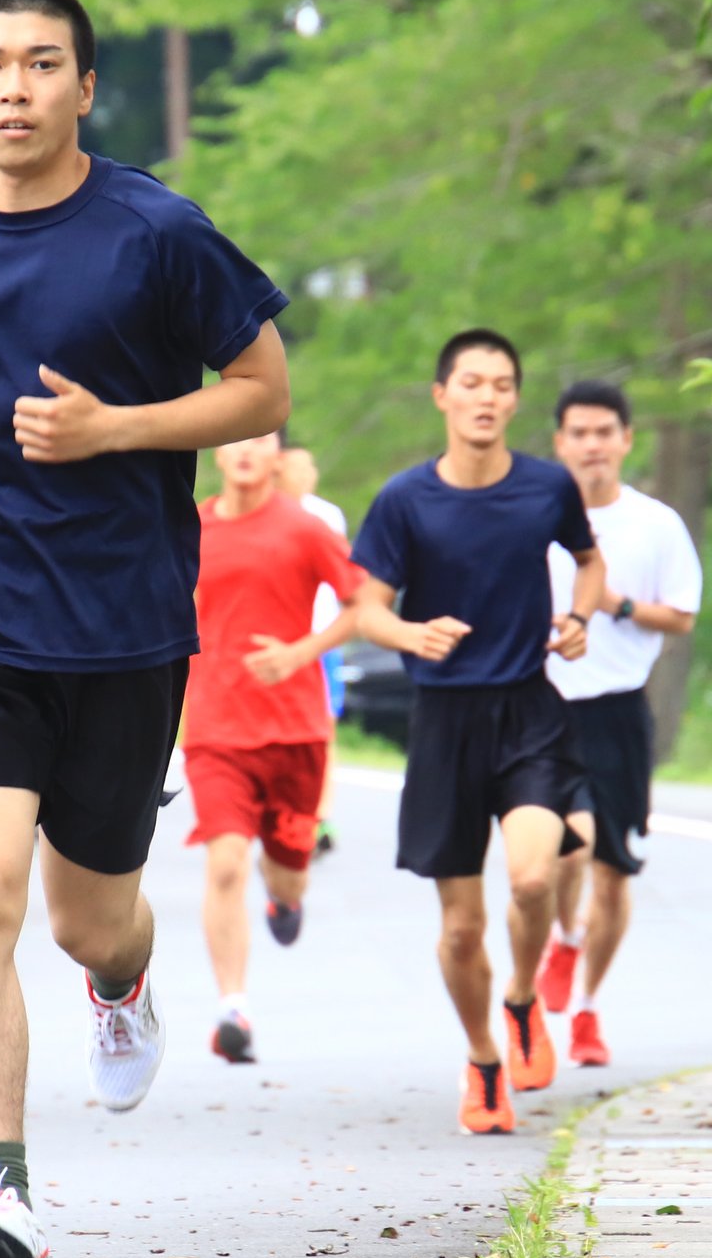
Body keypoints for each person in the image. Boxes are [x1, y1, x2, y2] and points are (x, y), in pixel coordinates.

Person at [0, 0, 289, 1258]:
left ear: (85, 89)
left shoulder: (157, 232)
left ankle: (121, 980)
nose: (16, 89)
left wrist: (117, 430)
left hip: (121, 627)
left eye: (44, 66)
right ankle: (1, 1194)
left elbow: (262, 388)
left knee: (86, 915)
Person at [350, 329, 605, 1135]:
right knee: (461, 928)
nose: (486, 396)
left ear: (515, 399)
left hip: (527, 710)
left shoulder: (546, 487)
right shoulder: (404, 499)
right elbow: (365, 608)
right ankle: (485, 1057)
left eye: (501, 383)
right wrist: (409, 635)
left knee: (532, 879)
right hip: (444, 725)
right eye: (471, 381)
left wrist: (580, 618)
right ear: (443, 396)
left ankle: (525, 1000)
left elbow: (588, 562)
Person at [536, 380, 701, 1066]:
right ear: (560, 442)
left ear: (626, 440)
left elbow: (683, 617)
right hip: (546, 706)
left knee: (614, 870)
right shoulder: (535, 513)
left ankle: (587, 1007)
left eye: (605, 431)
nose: (593, 444)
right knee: (560, 848)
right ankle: (560, 940)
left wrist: (613, 604)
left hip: (619, 709)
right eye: (579, 432)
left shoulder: (656, 523)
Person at [184, 431, 363, 1063]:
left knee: (288, 871)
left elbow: (359, 604)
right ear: (216, 452)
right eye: (233, 440)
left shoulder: (307, 529)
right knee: (225, 861)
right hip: (216, 730)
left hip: (295, 732)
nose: (245, 450)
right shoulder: (191, 528)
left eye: (259, 439)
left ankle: (285, 896)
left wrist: (301, 653)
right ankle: (233, 1006)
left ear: (278, 455)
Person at [277, 443, 348, 856]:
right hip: (279, 640)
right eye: (299, 466)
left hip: (321, 643)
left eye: (311, 465)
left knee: (322, 730)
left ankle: (321, 817)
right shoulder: (262, 513)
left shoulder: (327, 515)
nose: (309, 473)